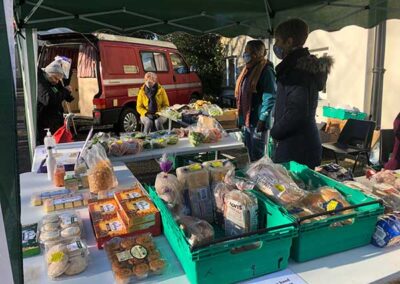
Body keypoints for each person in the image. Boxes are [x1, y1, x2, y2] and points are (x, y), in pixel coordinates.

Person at [270, 18, 334, 169]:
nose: (276, 46)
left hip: (296, 147)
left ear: (289, 42)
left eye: (278, 41)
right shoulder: (297, 67)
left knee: (293, 190)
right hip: (300, 142)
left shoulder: (296, 70)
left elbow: (296, 111)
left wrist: (275, 131)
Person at [235, 40, 276, 161]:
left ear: (256, 54)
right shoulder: (248, 70)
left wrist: (263, 119)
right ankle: (252, 177)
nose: (244, 55)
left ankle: (260, 178)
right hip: (248, 120)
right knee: (249, 153)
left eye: (247, 52)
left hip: (258, 121)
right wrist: (240, 118)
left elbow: (270, 97)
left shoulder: (266, 71)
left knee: (257, 156)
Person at [37, 59, 74, 145]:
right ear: (49, 73)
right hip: (45, 122)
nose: (56, 81)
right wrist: (65, 92)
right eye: (55, 78)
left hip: (54, 121)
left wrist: (67, 93)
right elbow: (49, 100)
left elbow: (59, 92)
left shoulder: (52, 81)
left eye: (58, 79)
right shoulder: (41, 82)